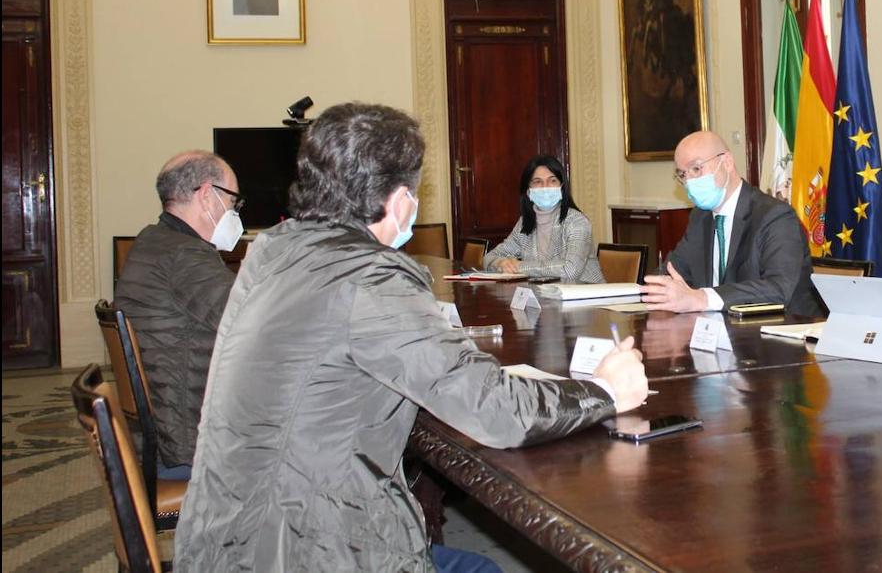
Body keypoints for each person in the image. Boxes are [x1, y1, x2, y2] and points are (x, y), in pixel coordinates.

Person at [175, 103, 648, 572]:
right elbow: (494, 411)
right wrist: (602, 391)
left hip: (228, 535)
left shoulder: (273, 251)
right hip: (305, 546)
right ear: (400, 200)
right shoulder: (369, 277)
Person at [113, 150, 244, 480]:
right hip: (187, 443)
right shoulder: (185, 256)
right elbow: (254, 323)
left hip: (160, 433)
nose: (235, 212)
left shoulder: (153, 241)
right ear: (207, 196)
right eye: (233, 201)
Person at [640, 130, 819, 314]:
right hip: (720, 332)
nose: (689, 182)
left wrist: (701, 298)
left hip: (780, 331)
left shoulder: (775, 216)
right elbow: (673, 271)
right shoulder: (700, 217)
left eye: (696, 168)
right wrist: (642, 291)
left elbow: (778, 289)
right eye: (682, 175)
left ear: (726, 162)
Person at [483, 155, 605, 283]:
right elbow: (488, 258)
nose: (545, 187)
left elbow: (570, 269)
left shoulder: (577, 222)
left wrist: (520, 266)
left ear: (562, 187)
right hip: (544, 295)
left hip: (585, 296)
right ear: (528, 191)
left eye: (552, 181)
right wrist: (501, 263)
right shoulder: (525, 223)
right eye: (537, 182)